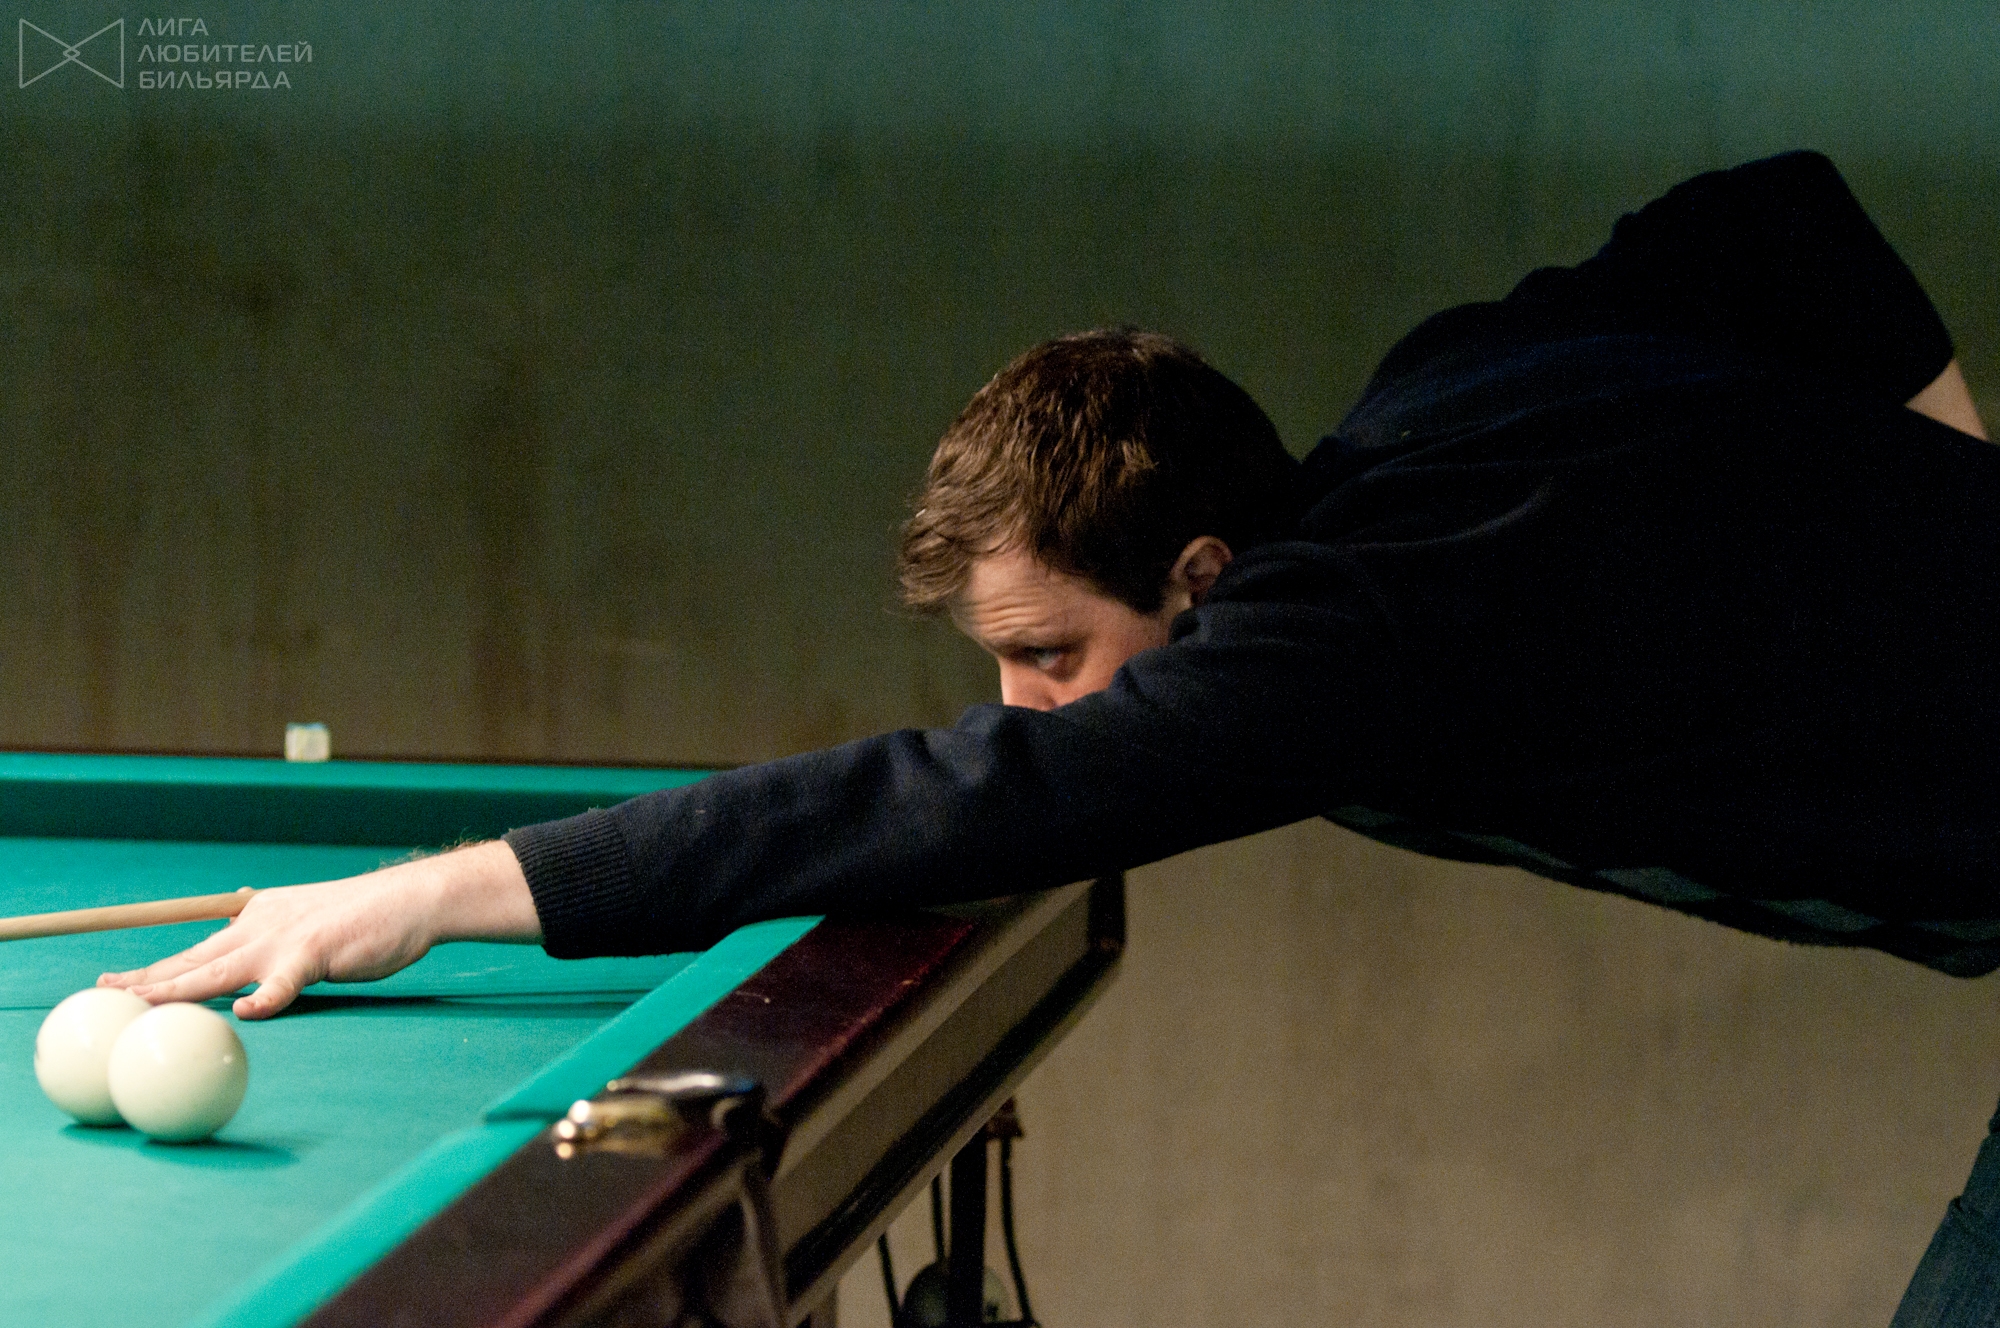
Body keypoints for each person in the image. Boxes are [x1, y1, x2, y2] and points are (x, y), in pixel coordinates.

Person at [104, 151, 1995, 1319]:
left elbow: (960, 797)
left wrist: (428, 895)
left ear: (1199, 573)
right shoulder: (1434, 397)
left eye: (1051, 653)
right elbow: (1775, 217)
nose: (1023, 706)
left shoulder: (1324, 644)